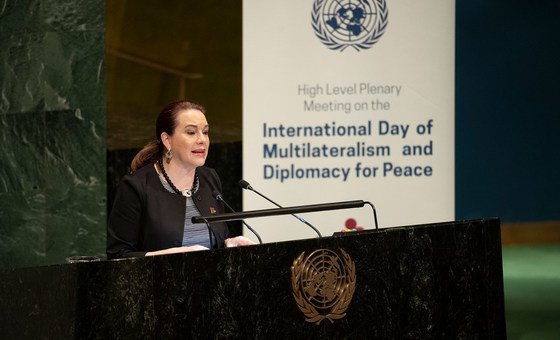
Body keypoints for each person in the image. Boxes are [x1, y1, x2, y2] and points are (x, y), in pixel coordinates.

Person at [107, 100, 253, 259]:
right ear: (167, 140)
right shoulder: (136, 186)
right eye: (191, 132)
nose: (202, 140)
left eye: (205, 132)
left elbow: (216, 239)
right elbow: (118, 255)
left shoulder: (209, 178)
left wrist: (228, 243)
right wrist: (175, 255)